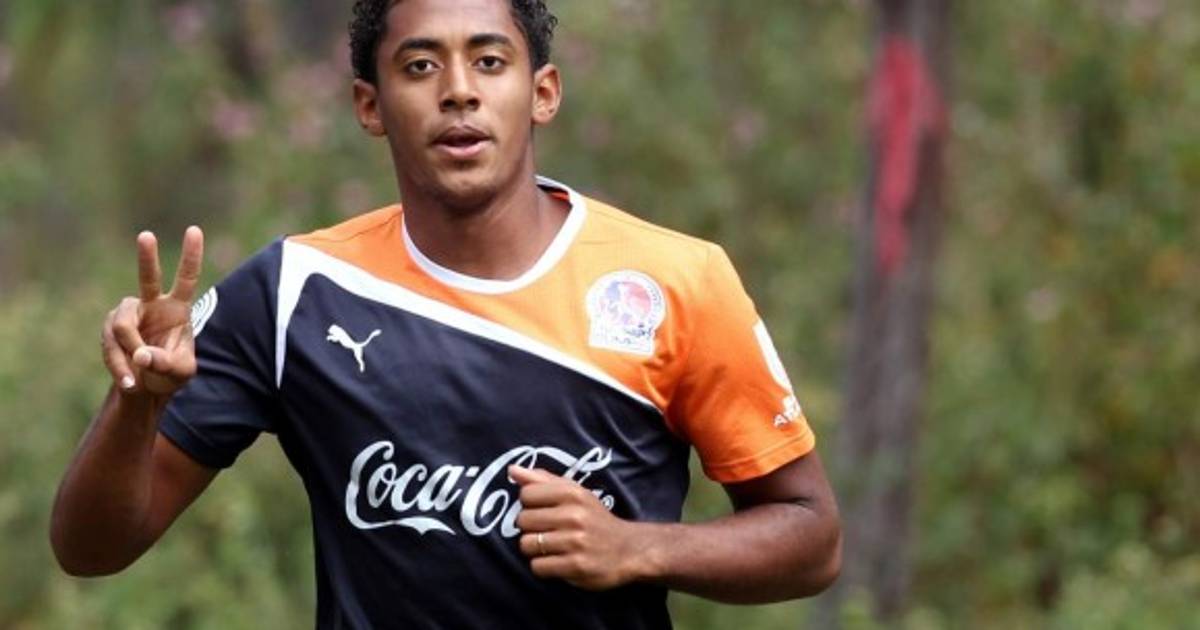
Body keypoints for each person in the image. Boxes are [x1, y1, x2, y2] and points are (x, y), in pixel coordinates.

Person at [50, 0, 841, 627]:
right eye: (420, 65)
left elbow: (811, 536)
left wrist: (638, 548)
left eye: (489, 61)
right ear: (370, 104)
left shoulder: (675, 281)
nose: (459, 89)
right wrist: (135, 406)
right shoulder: (294, 291)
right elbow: (90, 549)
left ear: (542, 93)